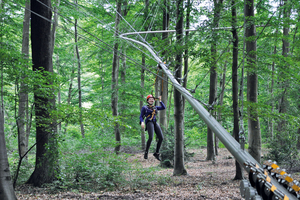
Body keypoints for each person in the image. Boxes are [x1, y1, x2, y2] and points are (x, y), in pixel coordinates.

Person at [139, 94, 166, 161]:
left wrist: (160, 101)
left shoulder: (155, 107)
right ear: (148, 101)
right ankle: (146, 152)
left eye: (152, 99)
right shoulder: (144, 108)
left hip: (154, 122)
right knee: (151, 137)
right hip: (149, 122)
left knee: (161, 137)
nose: (151, 100)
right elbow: (141, 116)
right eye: (150, 99)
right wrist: (142, 122)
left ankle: (156, 153)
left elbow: (163, 107)